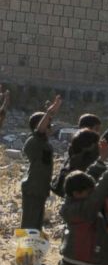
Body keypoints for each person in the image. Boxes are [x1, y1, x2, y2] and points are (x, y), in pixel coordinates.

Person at [21, 95, 61, 229]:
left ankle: (32, 249)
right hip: (33, 188)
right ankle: (26, 249)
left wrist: (49, 114)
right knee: (29, 222)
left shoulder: (44, 143)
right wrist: (48, 113)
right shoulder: (34, 141)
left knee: (36, 223)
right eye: (48, 124)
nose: (51, 127)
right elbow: (40, 130)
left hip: (40, 189)